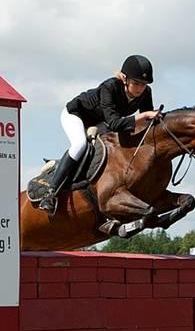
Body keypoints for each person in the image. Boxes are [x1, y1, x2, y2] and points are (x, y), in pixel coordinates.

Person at [39, 55, 161, 215]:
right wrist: (143, 116)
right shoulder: (109, 87)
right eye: (136, 83)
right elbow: (116, 123)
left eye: (144, 85)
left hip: (101, 122)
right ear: (124, 78)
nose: (140, 88)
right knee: (80, 145)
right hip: (77, 115)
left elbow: (146, 123)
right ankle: (50, 194)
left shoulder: (145, 93)